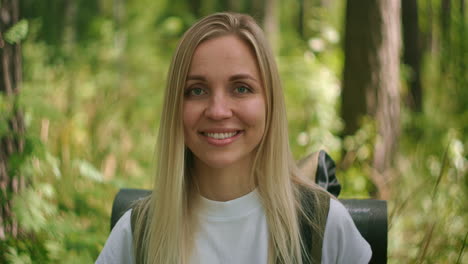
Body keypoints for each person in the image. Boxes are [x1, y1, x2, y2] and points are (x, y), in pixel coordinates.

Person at [96, 12, 371, 264]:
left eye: (241, 88)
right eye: (197, 90)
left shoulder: (322, 225)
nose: (217, 111)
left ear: (269, 103)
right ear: (175, 107)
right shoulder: (138, 233)